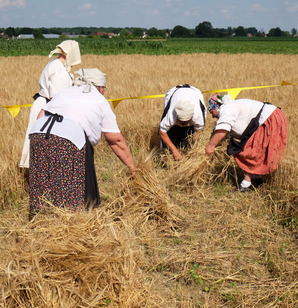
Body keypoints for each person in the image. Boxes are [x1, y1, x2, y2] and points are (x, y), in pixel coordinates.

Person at [28, 68, 137, 215]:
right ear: (99, 87)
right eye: (104, 88)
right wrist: (133, 168)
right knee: (67, 189)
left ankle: (40, 218)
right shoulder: (99, 99)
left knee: (43, 181)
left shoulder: (64, 92)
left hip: (38, 134)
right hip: (67, 139)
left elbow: (41, 115)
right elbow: (115, 140)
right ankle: (66, 223)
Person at [205, 94, 287, 192]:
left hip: (270, 118)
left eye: (211, 112)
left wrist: (211, 145)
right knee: (256, 150)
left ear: (217, 107)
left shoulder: (226, 109)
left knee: (252, 151)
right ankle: (255, 178)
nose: (213, 116)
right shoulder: (230, 106)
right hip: (272, 116)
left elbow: (224, 127)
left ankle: (246, 185)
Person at [20, 40, 81, 168]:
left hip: (48, 106)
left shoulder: (56, 64)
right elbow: (57, 96)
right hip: (48, 108)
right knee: (45, 145)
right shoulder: (57, 68)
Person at [159, 84, 207, 161]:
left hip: (194, 92)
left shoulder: (198, 116)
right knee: (168, 141)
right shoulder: (171, 114)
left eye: (186, 121)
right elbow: (162, 132)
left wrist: (193, 148)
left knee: (187, 141)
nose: (183, 124)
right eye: (181, 121)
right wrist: (174, 151)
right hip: (174, 92)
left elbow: (197, 132)